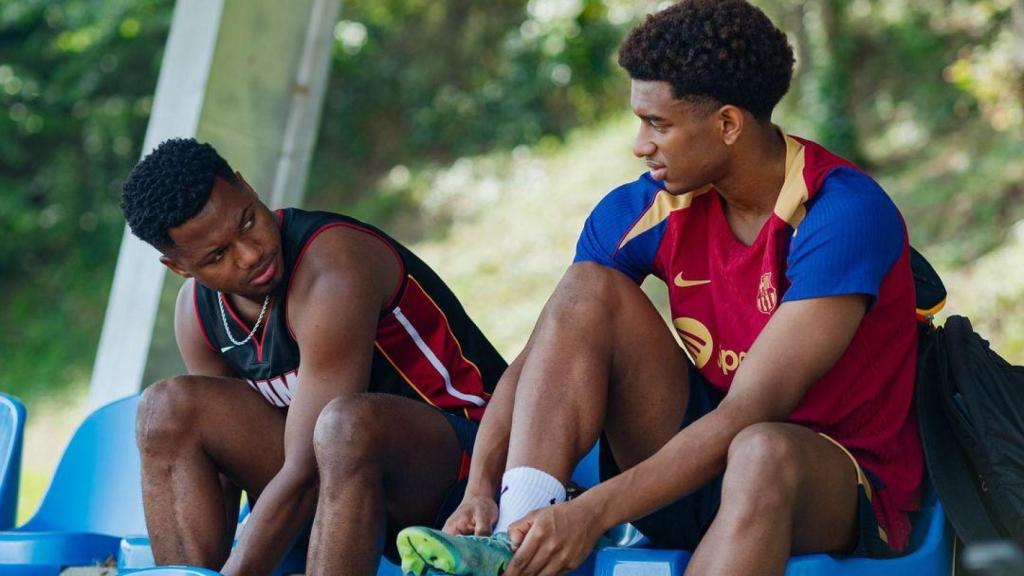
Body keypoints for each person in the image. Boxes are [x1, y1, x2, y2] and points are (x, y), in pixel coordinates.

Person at [395, 1, 924, 575]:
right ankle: (512, 546)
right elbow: (541, 357)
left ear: (726, 124)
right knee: (586, 290)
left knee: (761, 451)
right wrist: (482, 488)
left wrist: (591, 514)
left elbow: (750, 411)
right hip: (692, 468)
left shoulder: (840, 213)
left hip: (834, 484)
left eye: (659, 124)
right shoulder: (645, 207)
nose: (640, 145)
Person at [120, 138, 506, 576]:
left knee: (343, 426)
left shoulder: (331, 267)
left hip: (466, 470)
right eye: (217, 255)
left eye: (247, 222)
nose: (251, 254)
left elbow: (306, 468)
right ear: (180, 268)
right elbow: (222, 467)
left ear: (246, 186)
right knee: (166, 409)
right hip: (342, 489)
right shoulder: (197, 314)